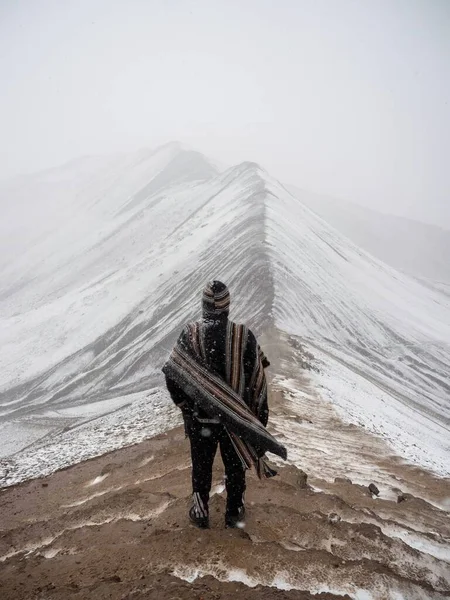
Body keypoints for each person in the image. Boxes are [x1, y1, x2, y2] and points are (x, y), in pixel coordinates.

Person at [162, 280, 286, 529]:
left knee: (201, 466)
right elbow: (257, 380)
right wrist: (253, 420)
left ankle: (200, 511)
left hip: (200, 420)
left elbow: (173, 373)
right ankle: (235, 510)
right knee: (235, 466)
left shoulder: (191, 334)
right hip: (234, 422)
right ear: (227, 307)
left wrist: (185, 404)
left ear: (204, 306)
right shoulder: (243, 336)